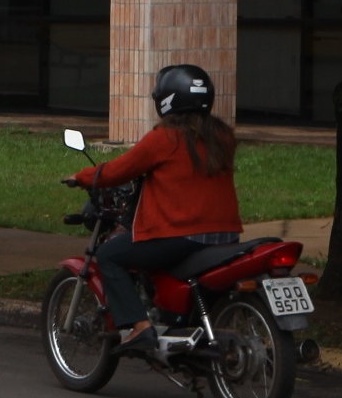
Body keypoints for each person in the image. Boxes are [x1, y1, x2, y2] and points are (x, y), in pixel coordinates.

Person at [71, 63, 242, 355]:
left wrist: (82, 177)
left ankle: (139, 327)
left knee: (109, 254)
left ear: (167, 100)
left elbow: (116, 171)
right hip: (226, 236)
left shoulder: (164, 138)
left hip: (181, 237)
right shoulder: (222, 137)